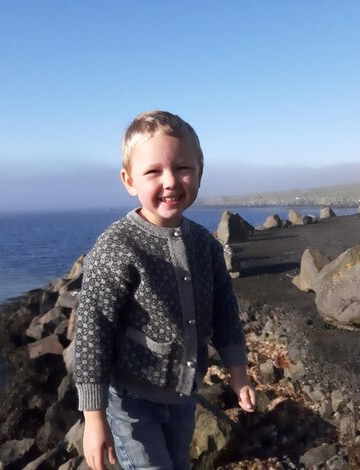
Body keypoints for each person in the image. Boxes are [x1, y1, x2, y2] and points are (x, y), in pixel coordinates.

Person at [74, 110, 255, 470]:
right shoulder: (117, 248)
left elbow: (224, 311)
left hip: (184, 394)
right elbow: (92, 332)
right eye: (153, 171)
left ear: (199, 174)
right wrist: (94, 419)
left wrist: (238, 373)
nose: (170, 181)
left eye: (182, 168)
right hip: (130, 403)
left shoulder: (204, 244)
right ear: (129, 181)